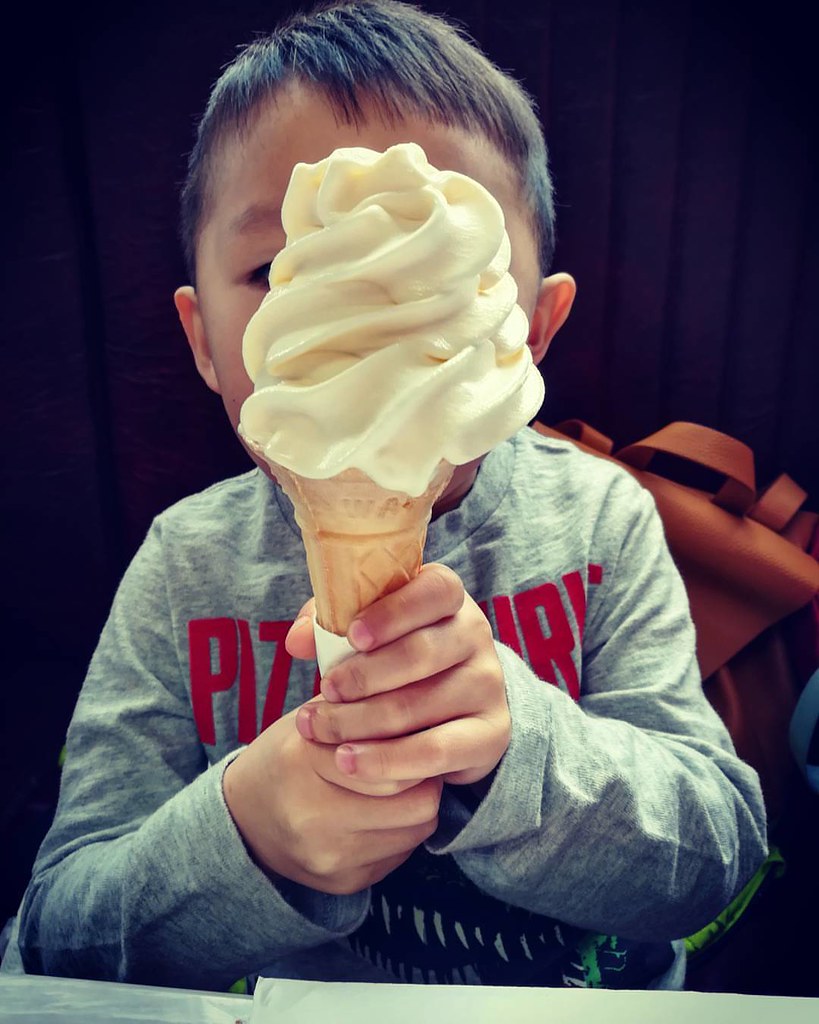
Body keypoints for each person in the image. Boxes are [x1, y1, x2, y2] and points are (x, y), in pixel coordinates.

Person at [5, 0, 767, 992]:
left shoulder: (601, 523)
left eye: (449, 272)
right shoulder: (185, 567)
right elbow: (57, 939)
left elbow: (715, 858)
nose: (365, 332)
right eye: (277, 268)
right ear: (203, 342)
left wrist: (517, 755)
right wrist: (249, 834)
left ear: (533, 331)